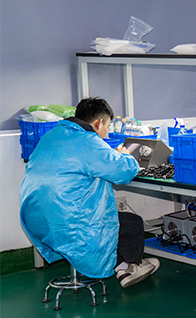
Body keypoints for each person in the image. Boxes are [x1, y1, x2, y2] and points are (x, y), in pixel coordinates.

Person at [20, 97, 160, 287]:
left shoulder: (52, 135)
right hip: (68, 223)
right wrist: (125, 156)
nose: (105, 133)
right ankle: (129, 267)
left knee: (114, 220)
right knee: (131, 223)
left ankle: (120, 265)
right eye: (107, 127)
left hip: (37, 218)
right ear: (98, 123)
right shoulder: (87, 140)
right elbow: (124, 172)